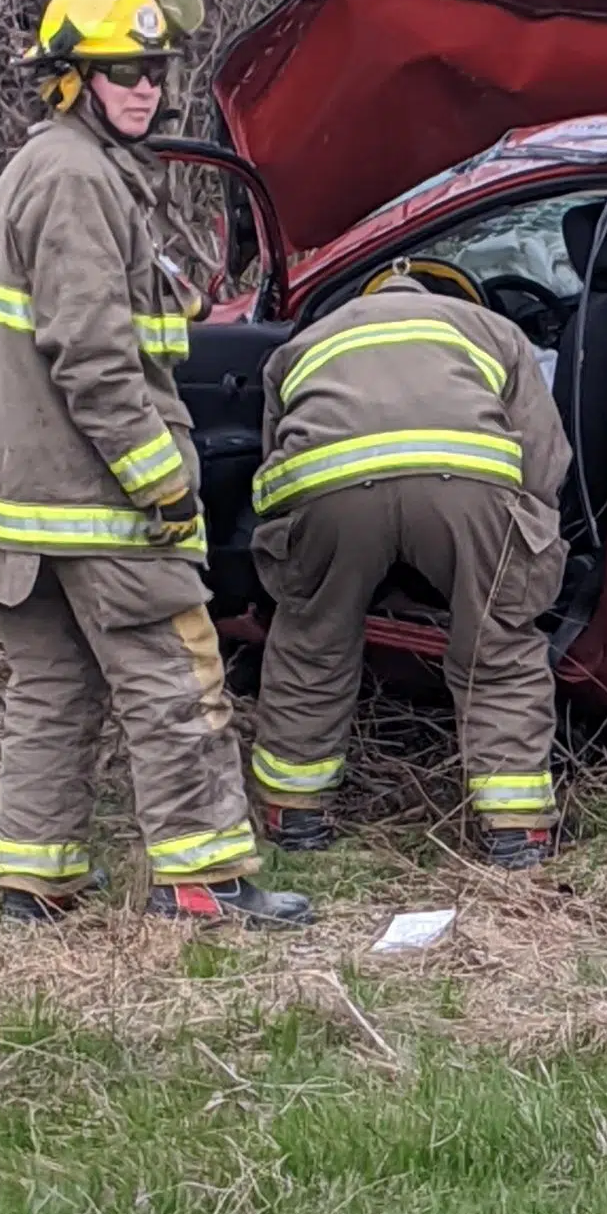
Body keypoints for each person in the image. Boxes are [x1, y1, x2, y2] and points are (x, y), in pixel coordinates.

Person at [0, 0, 312, 931]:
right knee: (178, 677)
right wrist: (161, 483)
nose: (145, 87)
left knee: (53, 690)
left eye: (153, 68)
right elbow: (93, 355)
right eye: (121, 69)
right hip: (97, 497)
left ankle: (37, 884)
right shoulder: (76, 177)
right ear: (72, 79)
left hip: (26, 502)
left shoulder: (62, 170)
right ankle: (206, 884)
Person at [247, 270, 570, 869]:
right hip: (468, 491)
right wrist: (521, 542)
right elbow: (543, 457)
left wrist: (311, 559)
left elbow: (274, 462)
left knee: (312, 645)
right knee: (496, 651)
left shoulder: (304, 343)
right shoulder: (493, 330)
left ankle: (293, 816)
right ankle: (515, 830)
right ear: (450, 298)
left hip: (331, 490)